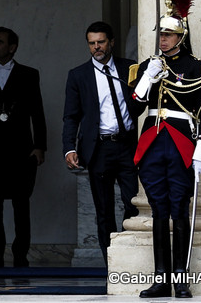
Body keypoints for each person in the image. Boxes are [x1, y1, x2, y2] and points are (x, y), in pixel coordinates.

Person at [131, 0, 201, 299]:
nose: (163, 40)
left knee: (179, 210)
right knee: (158, 211)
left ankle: (180, 277)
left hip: (182, 142)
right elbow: (134, 109)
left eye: (168, 35)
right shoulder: (146, 67)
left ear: (181, 37)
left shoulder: (195, 68)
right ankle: (160, 278)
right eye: (160, 35)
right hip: (153, 143)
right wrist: (147, 78)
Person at [61, 21, 140, 265]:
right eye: (92, 43)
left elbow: (142, 102)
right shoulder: (78, 75)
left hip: (127, 145)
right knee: (104, 210)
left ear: (111, 42)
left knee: (134, 204)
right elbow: (71, 116)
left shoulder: (129, 69)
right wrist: (69, 148)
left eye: (101, 42)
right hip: (99, 149)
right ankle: (113, 266)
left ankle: (131, 255)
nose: (96, 47)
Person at [0, 27, 47, 268]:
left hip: (21, 151)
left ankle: (20, 254)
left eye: (0, 42)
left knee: (21, 205)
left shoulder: (28, 74)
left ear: (12, 47)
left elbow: (38, 112)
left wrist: (40, 146)